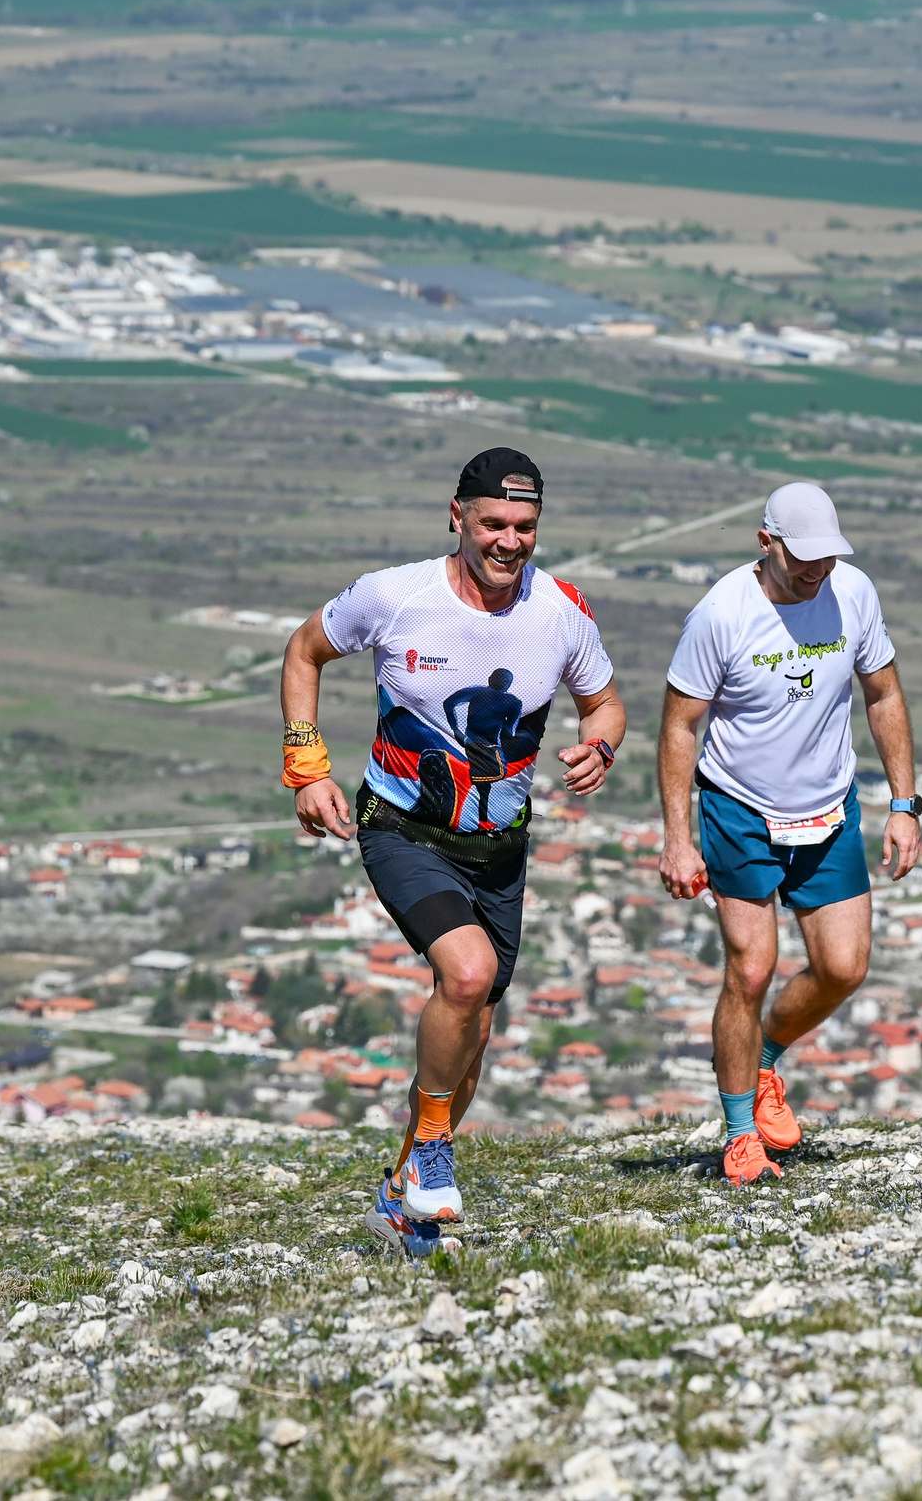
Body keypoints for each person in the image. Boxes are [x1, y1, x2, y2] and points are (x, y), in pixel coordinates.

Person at [282, 447, 625, 1254]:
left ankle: (402, 1194)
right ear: (458, 516)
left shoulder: (563, 611)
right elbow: (304, 652)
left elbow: (604, 703)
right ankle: (433, 1148)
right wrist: (307, 766)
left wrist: (600, 746)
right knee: (464, 974)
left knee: (469, 1028)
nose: (510, 541)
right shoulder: (395, 596)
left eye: (526, 527)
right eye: (495, 523)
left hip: (499, 847)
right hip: (401, 827)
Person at [657, 483, 921, 1186]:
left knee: (844, 966)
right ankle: (741, 1133)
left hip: (828, 807)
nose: (816, 570)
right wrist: (678, 837)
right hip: (739, 806)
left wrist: (905, 803)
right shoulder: (721, 613)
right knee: (750, 967)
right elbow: (680, 726)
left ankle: (765, 1056)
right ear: (765, 541)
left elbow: (884, 692)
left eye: (827, 556)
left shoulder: (853, 593)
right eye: (803, 557)